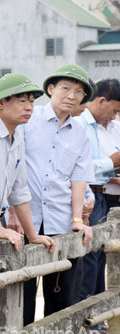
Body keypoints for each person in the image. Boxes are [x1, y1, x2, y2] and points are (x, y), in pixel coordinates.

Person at [13, 64, 94, 334]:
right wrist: (11, 213)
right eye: (65, 89)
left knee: (61, 289)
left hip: (60, 218)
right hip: (25, 217)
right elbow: (13, 165)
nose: (71, 96)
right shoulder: (28, 120)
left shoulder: (81, 133)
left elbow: (79, 178)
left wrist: (77, 217)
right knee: (22, 289)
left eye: (78, 92)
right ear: (50, 90)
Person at [0, 73, 55, 261]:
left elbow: (19, 191)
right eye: (22, 101)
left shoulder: (17, 135)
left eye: (32, 102)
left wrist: (32, 235)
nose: (29, 108)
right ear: (1, 103)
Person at [75, 79, 120, 309]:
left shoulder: (112, 126)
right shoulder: (80, 124)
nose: (114, 117)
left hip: (104, 198)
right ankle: (83, 315)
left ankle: (98, 314)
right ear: (101, 100)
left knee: (102, 255)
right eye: (114, 111)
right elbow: (79, 167)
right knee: (89, 257)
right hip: (87, 196)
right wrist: (110, 163)